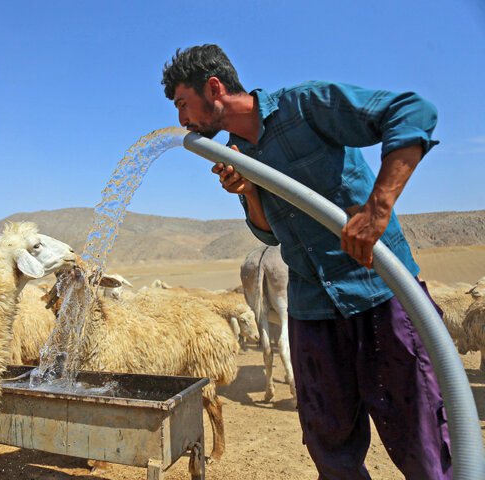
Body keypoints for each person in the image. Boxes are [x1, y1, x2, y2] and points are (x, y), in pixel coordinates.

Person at [161, 44, 451, 480]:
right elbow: (268, 233)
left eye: (184, 104)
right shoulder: (236, 153)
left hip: (379, 293)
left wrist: (376, 210)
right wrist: (251, 191)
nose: (183, 121)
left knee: (421, 439)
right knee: (329, 447)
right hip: (311, 310)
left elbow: (413, 111)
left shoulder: (305, 105)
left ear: (214, 88)